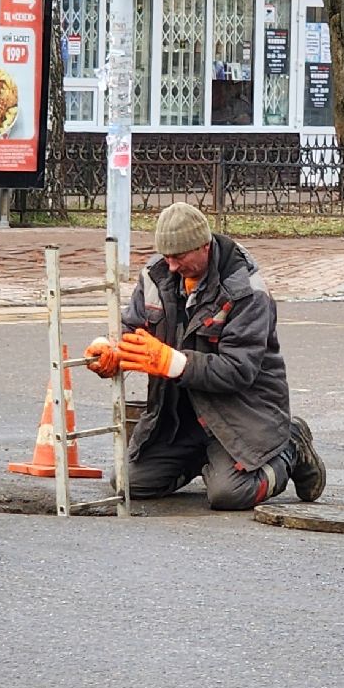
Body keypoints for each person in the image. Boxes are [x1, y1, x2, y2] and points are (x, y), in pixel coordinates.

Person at [83, 202, 325, 510]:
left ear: (204, 246)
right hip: (180, 419)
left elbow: (238, 370)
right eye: (166, 256)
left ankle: (291, 444)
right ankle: (201, 459)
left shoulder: (246, 291)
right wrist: (109, 348)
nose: (172, 266)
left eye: (179, 257)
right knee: (126, 482)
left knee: (230, 494)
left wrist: (173, 363)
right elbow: (132, 327)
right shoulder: (156, 275)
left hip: (240, 418)